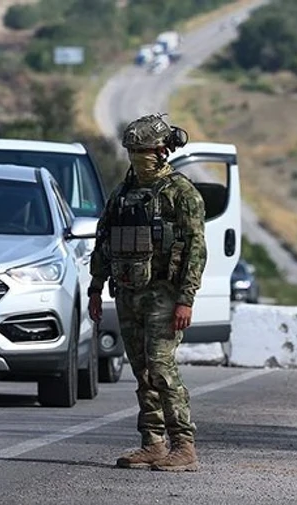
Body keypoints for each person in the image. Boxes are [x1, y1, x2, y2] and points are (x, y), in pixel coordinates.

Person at [87, 113, 206, 472]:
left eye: (146, 149)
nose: (140, 156)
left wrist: (186, 298)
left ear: (164, 150)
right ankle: (152, 443)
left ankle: (183, 445)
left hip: (164, 296)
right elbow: (104, 241)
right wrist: (95, 288)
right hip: (127, 292)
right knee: (142, 371)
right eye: (134, 150)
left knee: (162, 367)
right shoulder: (122, 194)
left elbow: (196, 250)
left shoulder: (181, 193)